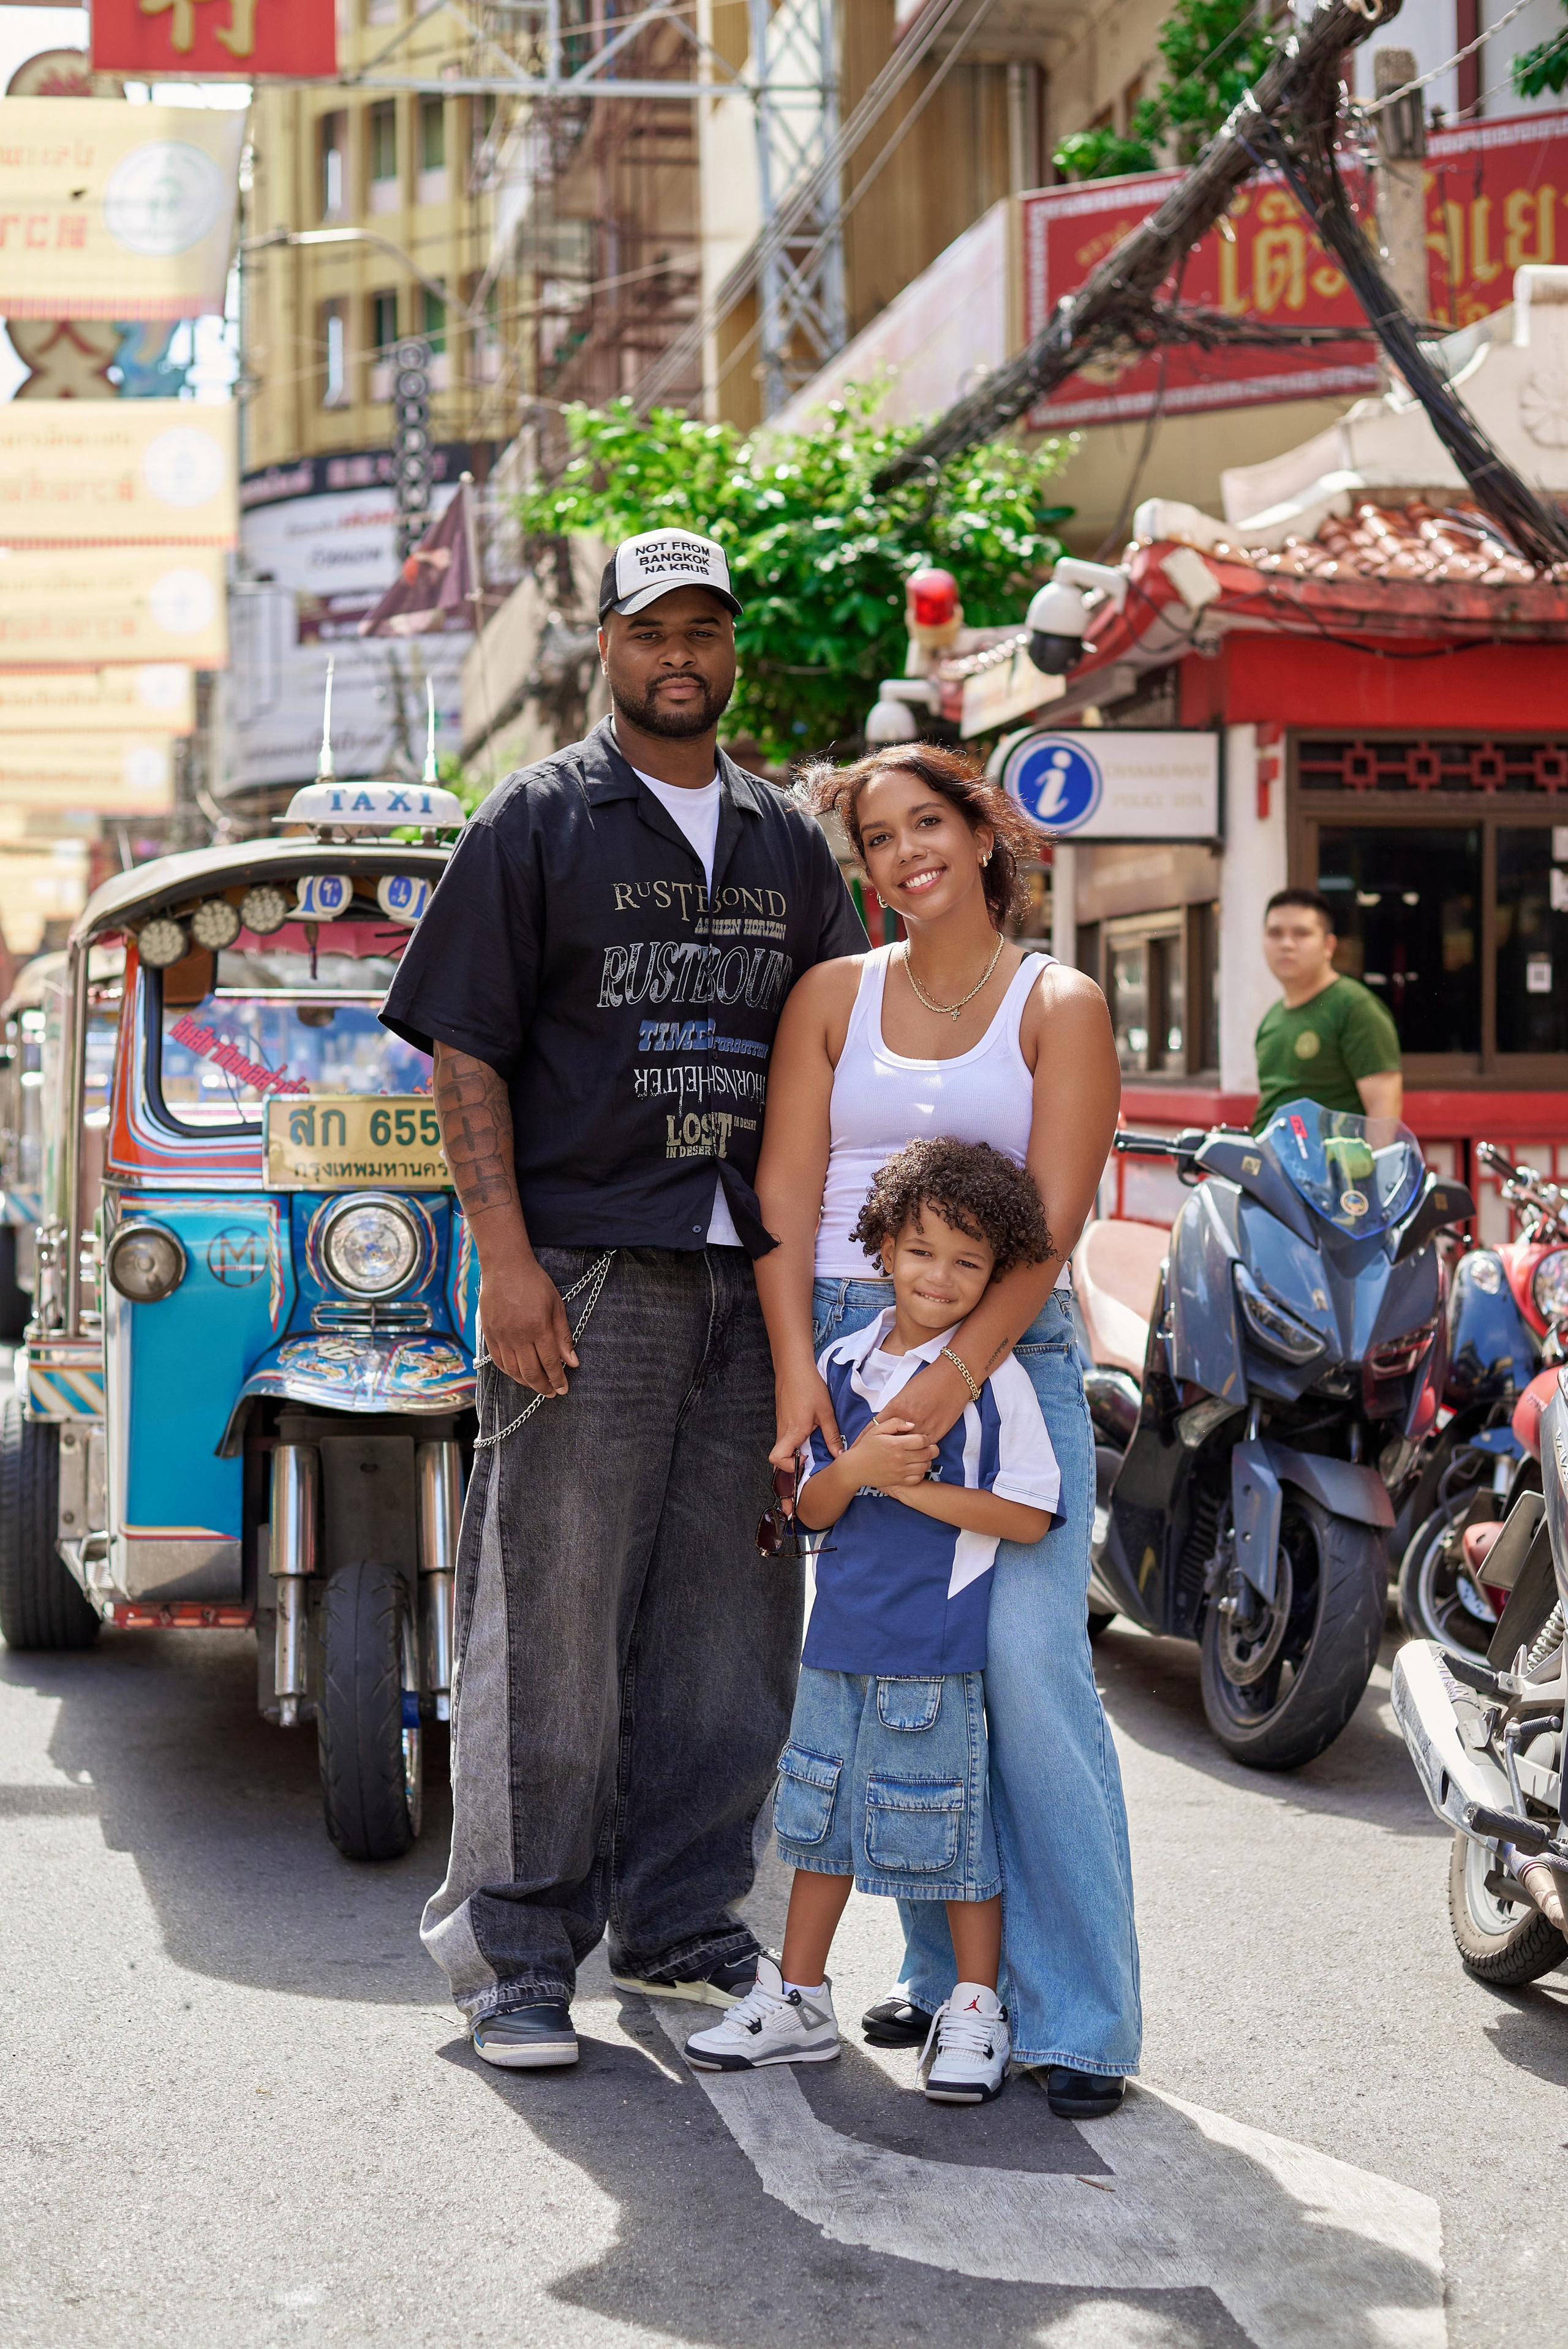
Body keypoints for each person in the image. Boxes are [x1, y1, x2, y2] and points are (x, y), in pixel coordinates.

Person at [380, 527, 866, 2070]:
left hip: (753, 1278)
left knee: (729, 1633)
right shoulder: (535, 818)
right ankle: (517, 1955)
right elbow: (466, 1052)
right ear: (604, 644)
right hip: (581, 1271)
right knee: (552, 1626)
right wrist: (504, 1260)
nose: (680, 652)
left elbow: (844, 1043)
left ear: (734, 649)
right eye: (650, 626)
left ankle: (677, 1923)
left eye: (704, 627)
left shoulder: (788, 842)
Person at [751, 741, 1140, 2121]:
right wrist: (806, 1375)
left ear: (982, 833)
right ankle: (937, 1970)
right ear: (860, 867)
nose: (906, 850)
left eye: (928, 820)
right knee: (893, 1662)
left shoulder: (1060, 1000)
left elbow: (1054, 1216)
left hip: (1002, 1345)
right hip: (851, 1346)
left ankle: (1081, 2018)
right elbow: (786, 1197)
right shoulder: (829, 995)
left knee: (1030, 1678)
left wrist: (957, 1372)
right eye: (876, 836)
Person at [685, 1139, 1060, 2106]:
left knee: (950, 1831)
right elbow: (810, 1509)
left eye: (969, 1262)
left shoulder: (992, 1385)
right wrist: (853, 1472)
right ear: (881, 1248)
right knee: (816, 1828)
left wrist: (918, 1487)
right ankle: (799, 1997)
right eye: (923, 1250)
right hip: (837, 1647)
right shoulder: (843, 1362)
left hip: (934, 1653)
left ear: (996, 1274)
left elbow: (1028, 1515)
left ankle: (976, 2004)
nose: (941, 1277)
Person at [1254, 887, 1403, 1134]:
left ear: (1329, 945)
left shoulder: (1354, 1007)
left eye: (1301, 933)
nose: (1286, 944)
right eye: (1275, 933)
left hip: (1332, 1171)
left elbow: (1384, 1109)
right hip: (1270, 1169)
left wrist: (1370, 1171)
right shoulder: (1272, 1019)